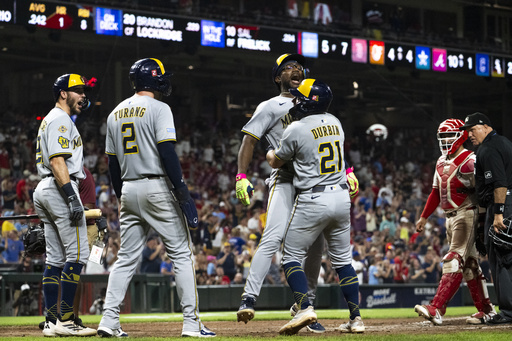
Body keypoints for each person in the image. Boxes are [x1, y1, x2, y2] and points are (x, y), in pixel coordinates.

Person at [235, 53, 359, 333]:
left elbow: (329, 141)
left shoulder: (315, 105)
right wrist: (241, 176)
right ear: (278, 77)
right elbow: (248, 140)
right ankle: (249, 297)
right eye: (288, 67)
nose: (295, 69)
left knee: (315, 247)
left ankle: (307, 308)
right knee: (273, 236)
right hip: (285, 178)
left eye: (299, 67)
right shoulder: (270, 106)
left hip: (313, 182)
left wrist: (348, 169)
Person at [98, 58, 215, 338]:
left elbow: (112, 165)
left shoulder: (114, 113)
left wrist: (122, 196)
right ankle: (191, 323)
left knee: (125, 258)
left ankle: (108, 320)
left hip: (128, 188)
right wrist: (183, 192)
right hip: (157, 186)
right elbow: (167, 154)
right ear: (153, 78)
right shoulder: (160, 108)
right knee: (182, 254)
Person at [267, 79, 364, 335]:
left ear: (310, 102)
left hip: (313, 198)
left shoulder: (296, 128)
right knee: (343, 261)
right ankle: (356, 318)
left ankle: (305, 307)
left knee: (290, 257)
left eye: (301, 97)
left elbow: (277, 161)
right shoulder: (336, 122)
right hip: (341, 197)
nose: (296, 100)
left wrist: (269, 153)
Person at [414, 119, 495, 325]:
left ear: (461, 136)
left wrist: (484, 220)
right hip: (450, 216)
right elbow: (435, 192)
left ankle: (437, 307)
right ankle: (486, 309)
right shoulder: (441, 161)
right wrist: (424, 216)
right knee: (469, 266)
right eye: (442, 137)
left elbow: (484, 190)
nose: (446, 140)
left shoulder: (471, 160)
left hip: (467, 213)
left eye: (449, 135)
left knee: (453, 258)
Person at [32, 74, 96, 337]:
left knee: (56, 259)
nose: (83, 95)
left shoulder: (52, 118)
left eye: (84, 91)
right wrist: (71, 195)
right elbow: (58, 160)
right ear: (62, 94)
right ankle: (67, 320)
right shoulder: (60, 119)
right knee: (78, 255)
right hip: (59, 187)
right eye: (78, 90)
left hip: (45, 188)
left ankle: (51, 321)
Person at [460, 112, 512, 325]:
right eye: (468, 131)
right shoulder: (505, 142)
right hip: (508, 203)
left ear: (485, 126)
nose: (470, 135)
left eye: (473, 129)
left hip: (502, 206)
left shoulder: (488, 149)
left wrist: (498, 213)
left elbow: (499, 184)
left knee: (502, 259)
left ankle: (508, 312)